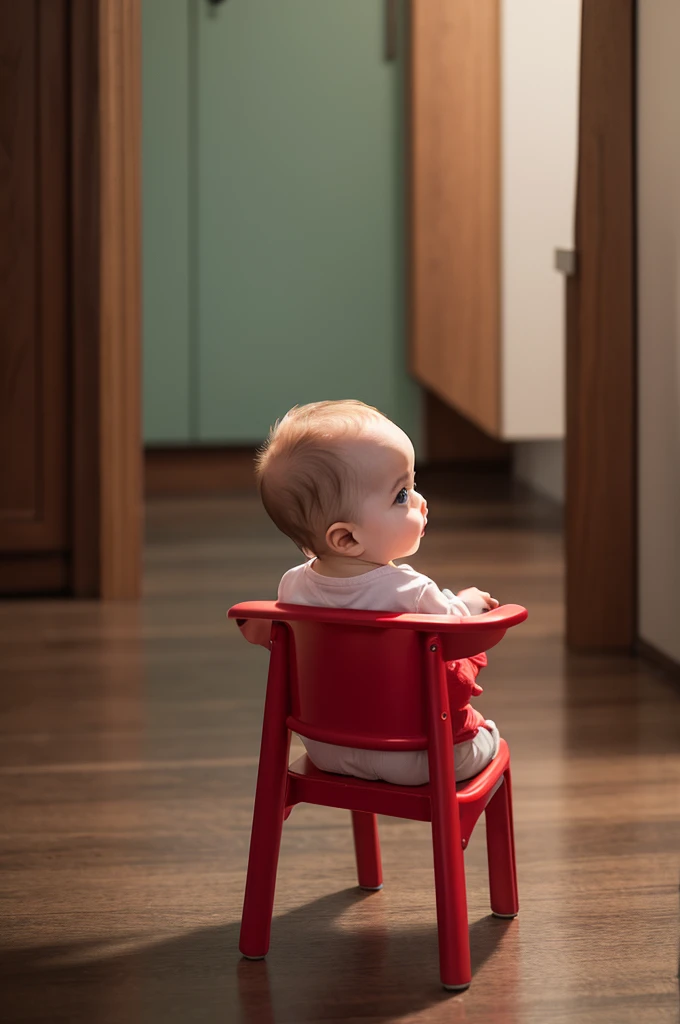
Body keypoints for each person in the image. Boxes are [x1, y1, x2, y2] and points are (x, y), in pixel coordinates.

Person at [241, 399, 501, 786]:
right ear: (346, 537)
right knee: (490, 740)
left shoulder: (291, 586)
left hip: (327, 748)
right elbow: (459, 632)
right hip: (417, 755)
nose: (419, 501)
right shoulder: (412, 592)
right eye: (401, 495)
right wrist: (471, 604)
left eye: (413, 485)